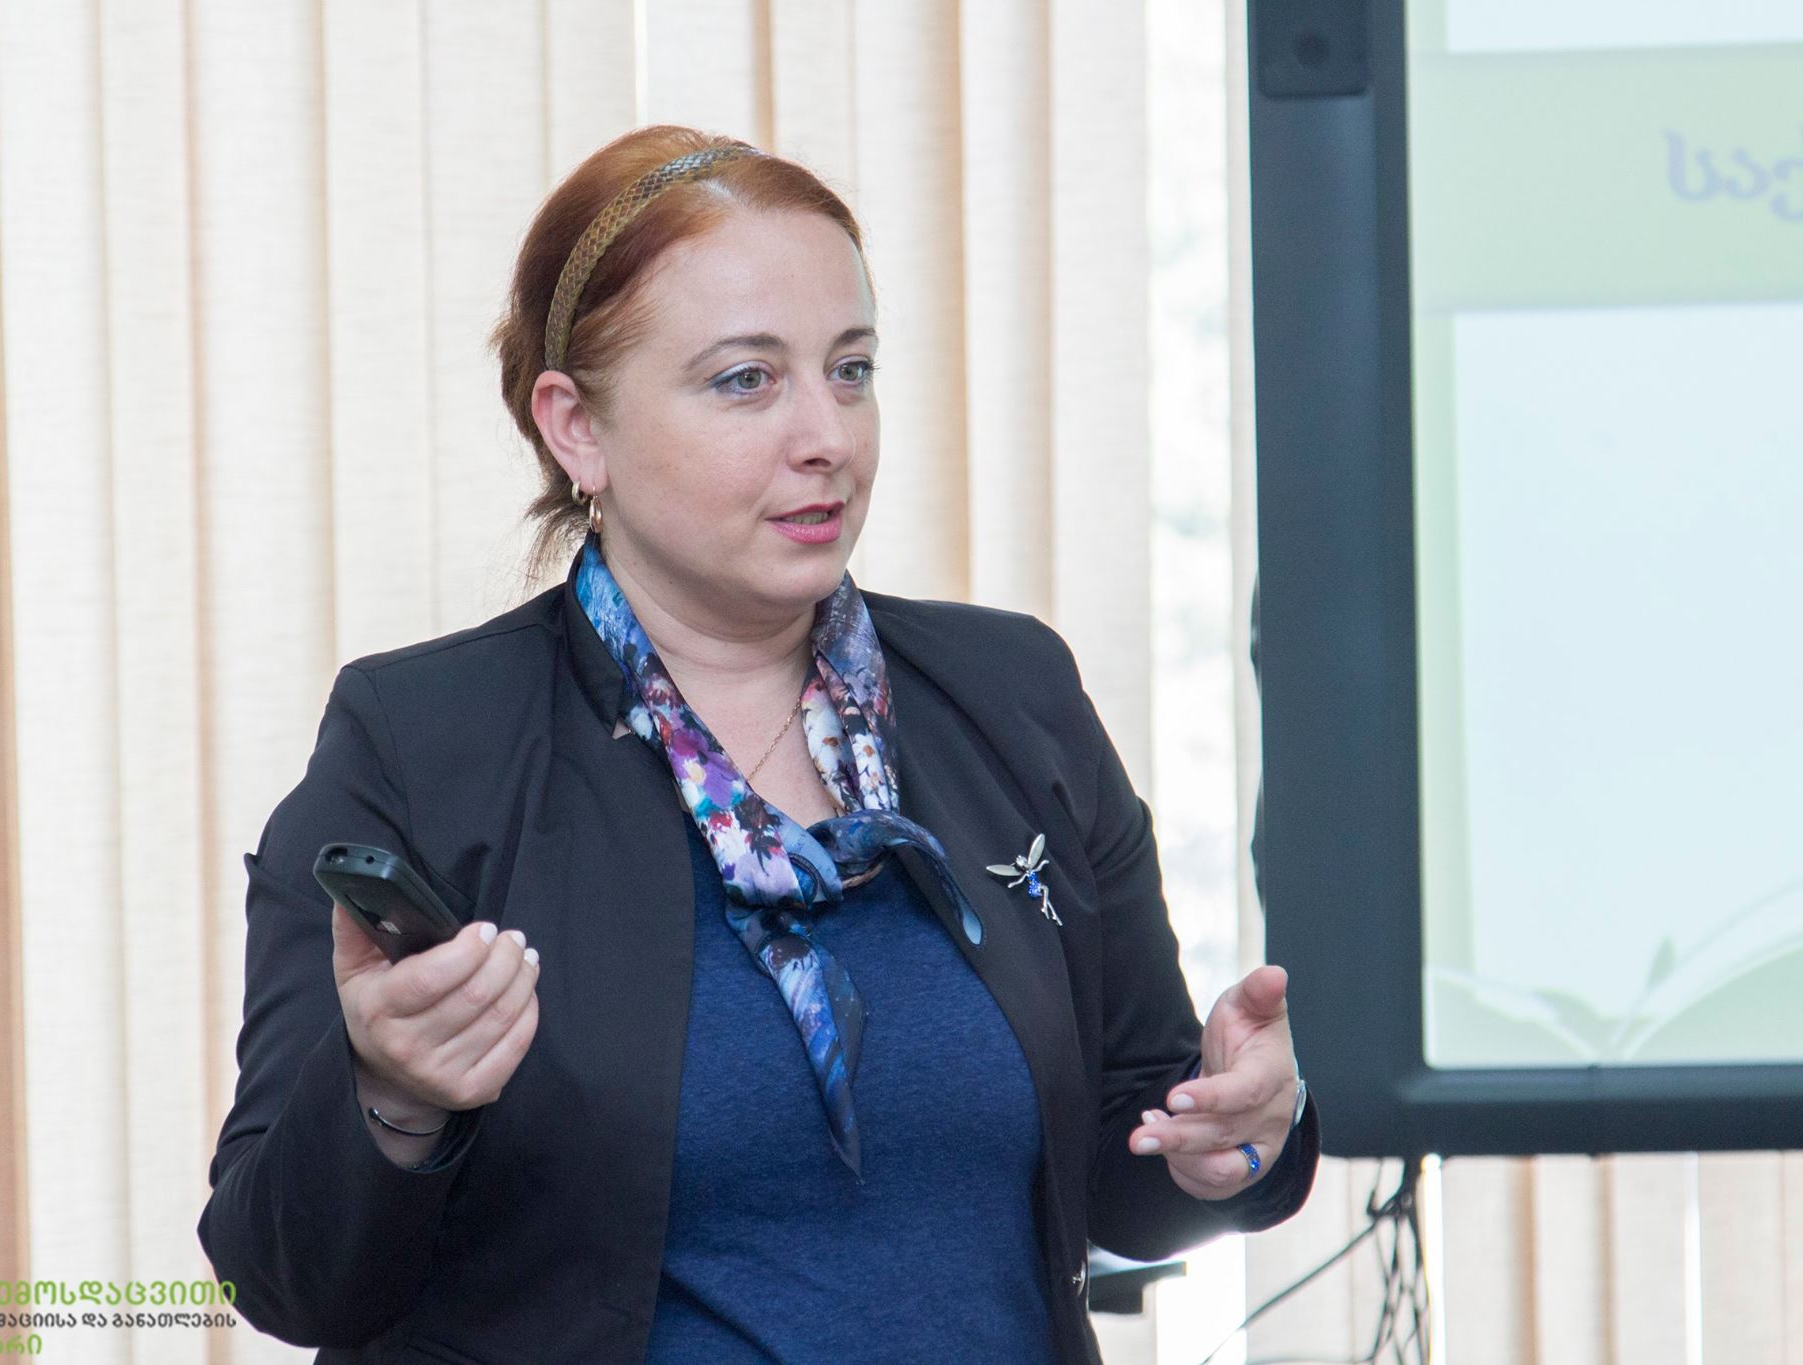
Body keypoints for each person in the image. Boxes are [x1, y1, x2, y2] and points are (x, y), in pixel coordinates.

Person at [197, 125, 1318, 1365]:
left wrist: (1237, 1142)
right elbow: (282, 1275)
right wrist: (394, 1093)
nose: (826, 434)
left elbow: (1126, 1163)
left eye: (851, 369)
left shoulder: (1011, 697)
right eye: (745, 381)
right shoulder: (420, 744)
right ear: (576, 428)